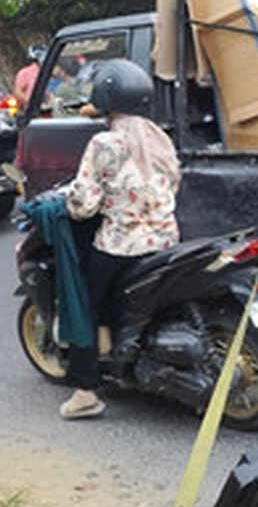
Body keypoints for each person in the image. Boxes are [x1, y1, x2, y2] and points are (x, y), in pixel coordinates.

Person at [60, 59, 182, 420]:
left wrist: (70, 200)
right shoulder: (160, 138)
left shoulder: (104, 142)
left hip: (121, 245)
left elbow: (84, 204)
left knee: (83, 303)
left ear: (106, 98)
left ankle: (85, 392)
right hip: (165, 241)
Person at [14, 45, 44, 112]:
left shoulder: (49, 70)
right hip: (35, 111)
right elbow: (18, 92)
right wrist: (31, 102)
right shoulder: (25, 73)